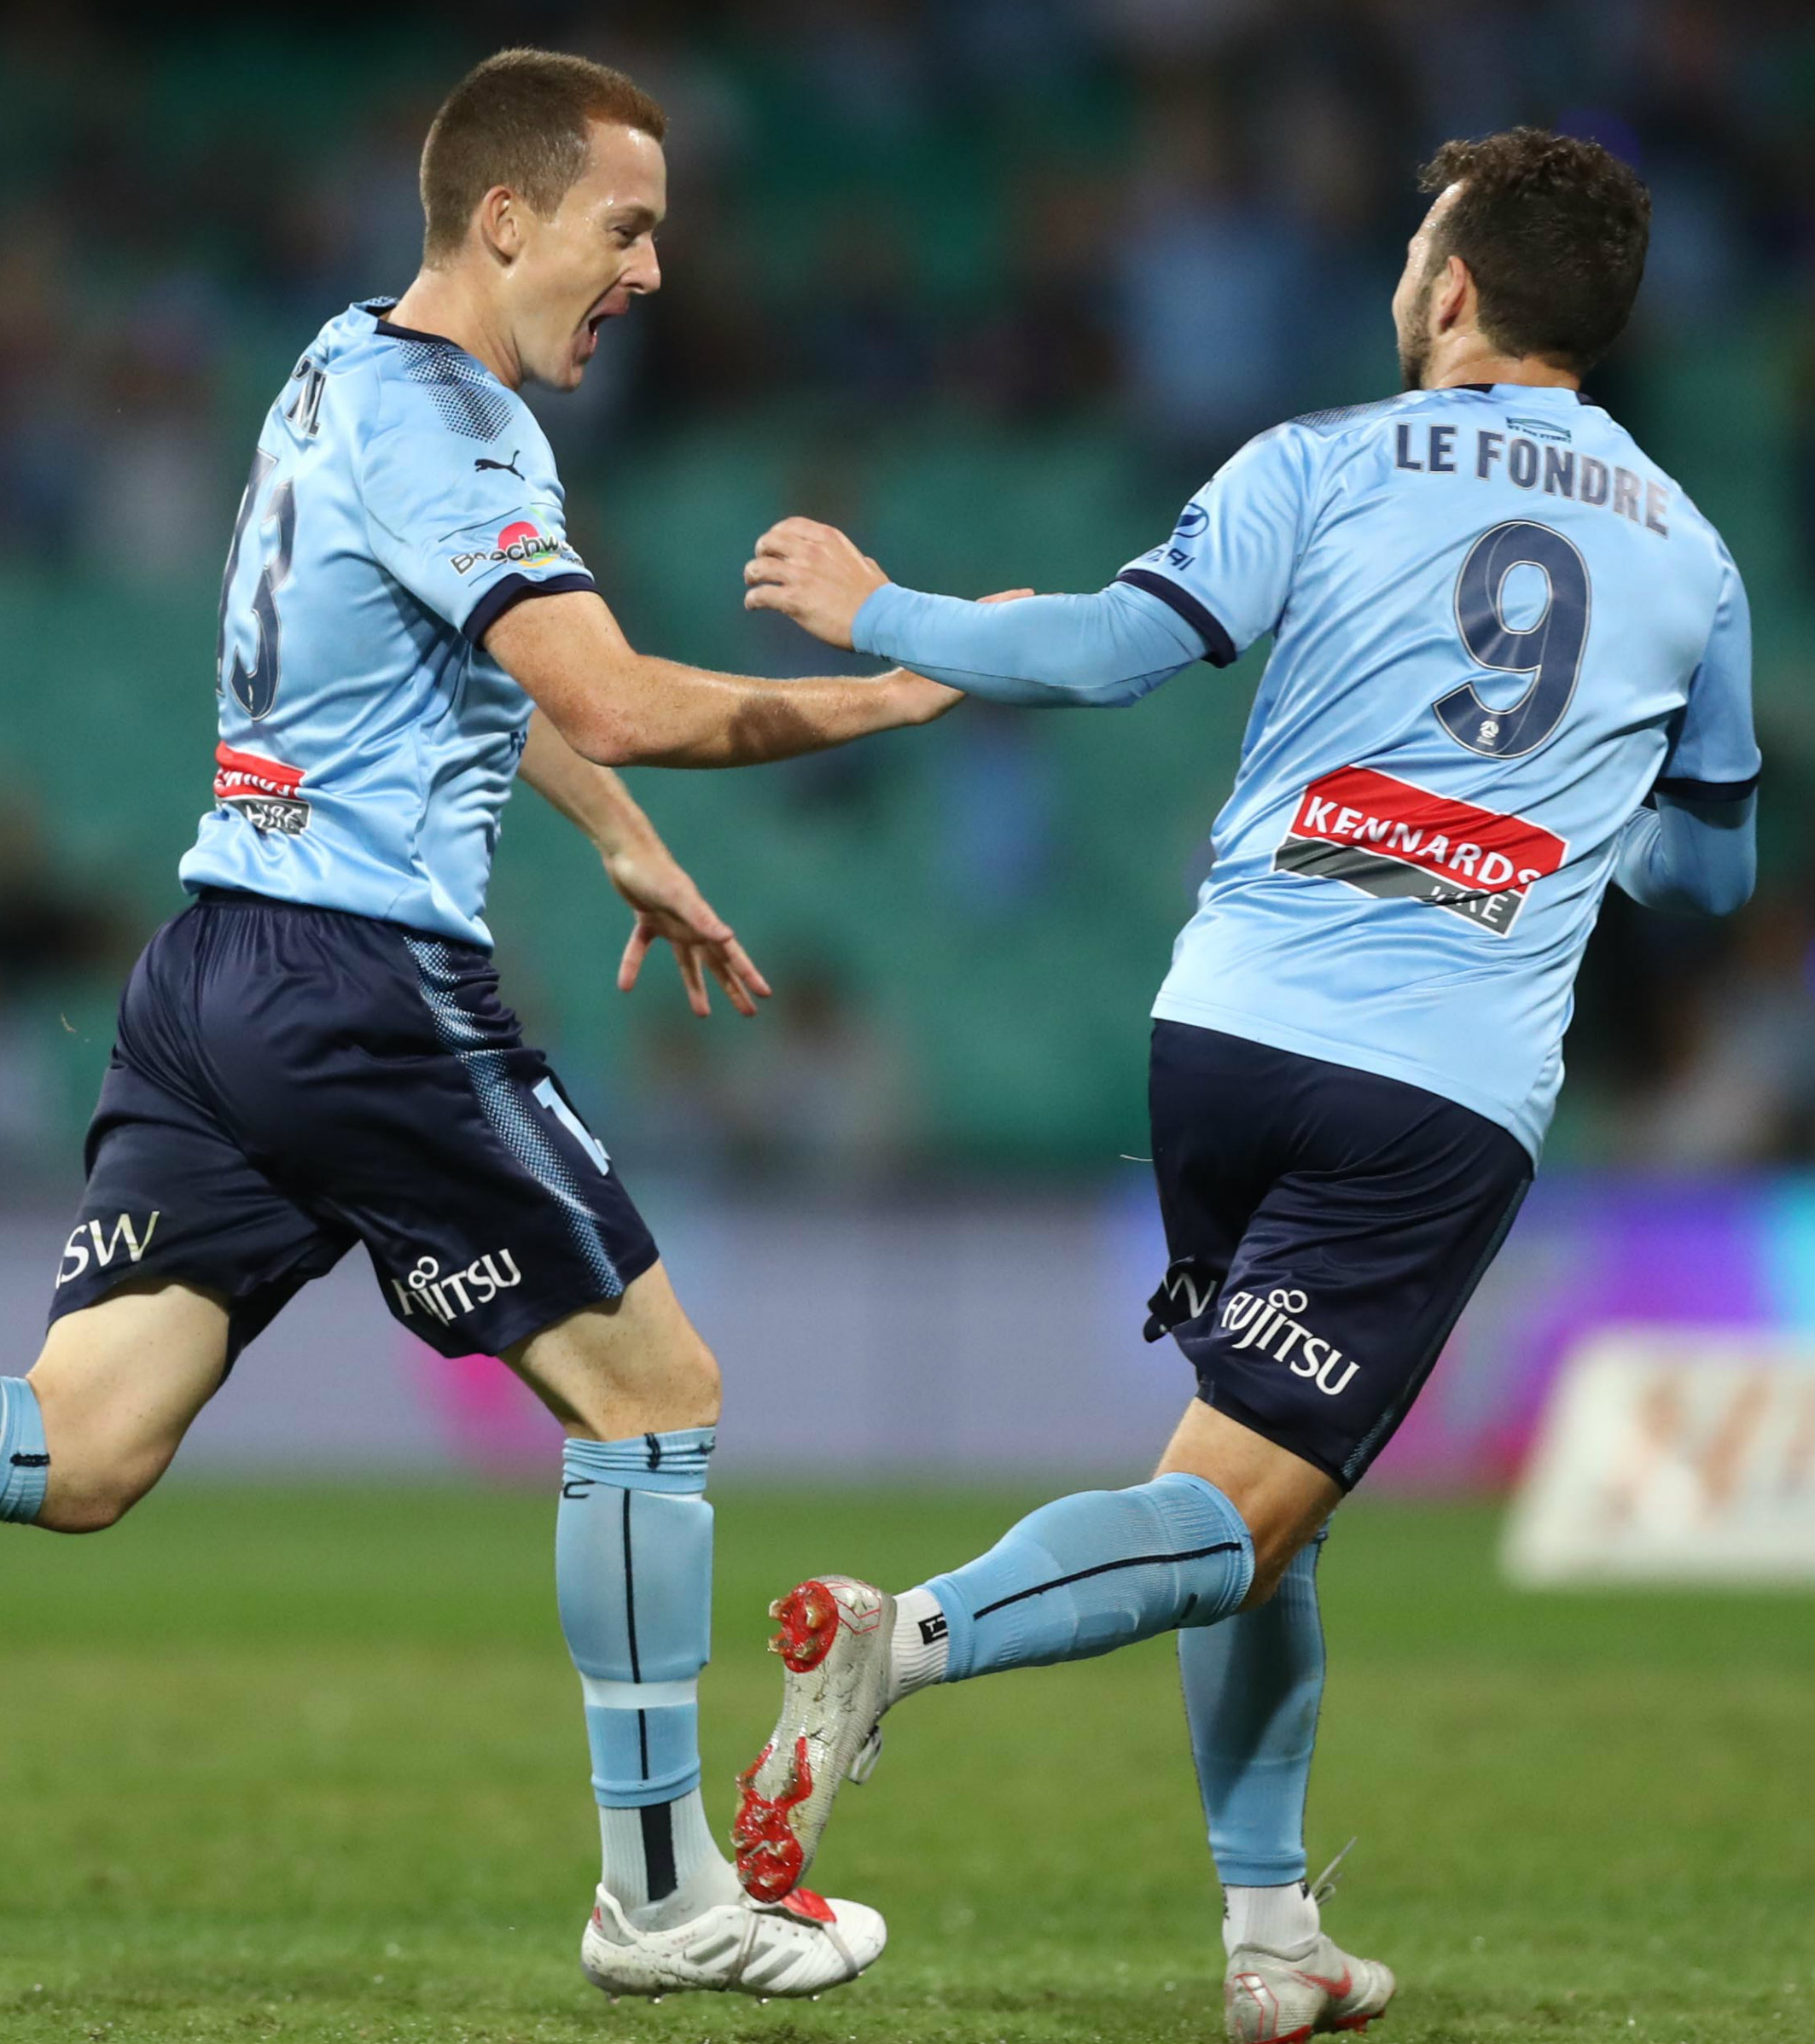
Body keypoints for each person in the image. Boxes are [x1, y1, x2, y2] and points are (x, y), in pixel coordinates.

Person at [0, 48, 965, 2003]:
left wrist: (617, 842)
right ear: (505, 218)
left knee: (81, 1443)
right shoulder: (466, 431)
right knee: (654, 1395)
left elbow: (469, 672)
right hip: (362, 991)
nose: (654, 272)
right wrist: (906, 671)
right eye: (628, 227)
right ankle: (664, 1895)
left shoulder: (339, 363)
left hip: (213, 969)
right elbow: (604, 690)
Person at [731, 131, 1754, 2043]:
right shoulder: (1692, 553)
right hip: (1432, 1086)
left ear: (1450, 286)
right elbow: (1710, 876)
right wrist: (1556, 824)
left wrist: (879, 603)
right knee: (1233, 1502)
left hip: (1222, 1033)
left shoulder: (1318, 458)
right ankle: (905, 1637)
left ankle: (1270, 1934)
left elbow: (1113, 653)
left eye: (1410, 240)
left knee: (1266, 1500)